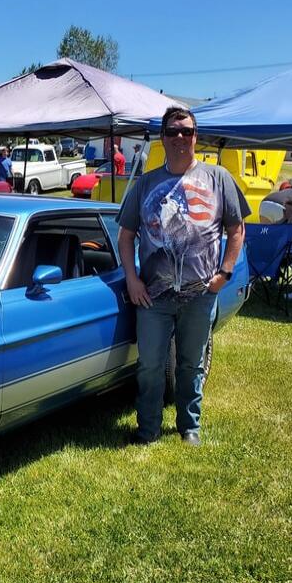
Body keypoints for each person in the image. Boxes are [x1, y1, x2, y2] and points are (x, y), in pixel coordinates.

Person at [117, 106, 249, 446]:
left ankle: (189, 426)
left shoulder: (218, 178)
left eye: (186, 131)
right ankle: (147, 429)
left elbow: (237, 231)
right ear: (163, 138)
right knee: (149, 366)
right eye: (173, 131)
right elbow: (126, 236)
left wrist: (225, 273)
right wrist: (132, 279)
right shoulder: (146, 183)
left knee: (191, 365)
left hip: (200, 293)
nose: (180, 137)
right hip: (154, 296)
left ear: (195, 136)